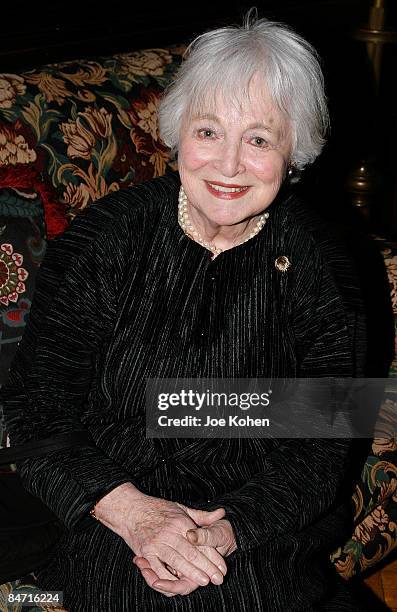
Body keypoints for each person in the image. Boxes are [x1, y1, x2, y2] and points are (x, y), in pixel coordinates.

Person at [2, 12, 370, 612]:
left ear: (292, 152)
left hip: (255, 516)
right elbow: (38, 407)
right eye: (208, 132)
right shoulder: (109, 239)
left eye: (258, 139)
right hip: (110, 500)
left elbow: (320, 448)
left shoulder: (320, 264)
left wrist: (221, 535)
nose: (228, 166)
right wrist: (135, 514)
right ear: (177, 134)